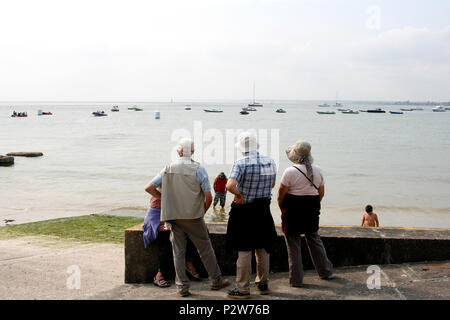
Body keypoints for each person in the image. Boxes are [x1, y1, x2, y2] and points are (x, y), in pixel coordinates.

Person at [146, 138, 230, 297]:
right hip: (193, 217)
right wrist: (200, 213)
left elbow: (149, 187)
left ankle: (182, 288)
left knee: (178, 252)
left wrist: (165, 202)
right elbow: (209, 198)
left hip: (175, 217)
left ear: (178, 152)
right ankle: (216, 281)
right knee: (205, 249)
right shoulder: (198, 169)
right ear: (192, 151)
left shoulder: (168, 168)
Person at [225, 131, 278, 299]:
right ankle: (263, 283)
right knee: (263, 247)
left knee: (244, 249)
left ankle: (242, 289)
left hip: (244, 211)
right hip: (263, 209)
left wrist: (240, 195)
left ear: (242, 148)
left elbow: (229, 185)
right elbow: (273, 184)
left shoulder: (241, 163)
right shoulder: (270, 161)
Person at [277, 140, 334, 288]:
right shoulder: (318, 170)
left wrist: (282, 208)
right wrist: (312, 204)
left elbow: (280, 194)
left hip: (292, 210)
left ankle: (296, 280)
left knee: (293, 244)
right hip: (311, 208)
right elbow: (321, 193)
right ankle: (325, 272)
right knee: (314, 239)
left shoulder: (289, 171)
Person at [142, 187, 201, 287]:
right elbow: (148, 189)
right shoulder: (165, 183)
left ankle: (188, 263)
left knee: (191, 233)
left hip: (172, 217)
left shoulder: (179, 185)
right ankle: (159, 275)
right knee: (167, 241)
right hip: (158, 218)